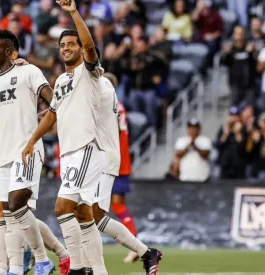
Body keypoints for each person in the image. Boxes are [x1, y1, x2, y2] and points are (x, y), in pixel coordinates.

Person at [22, 0, 108, 274]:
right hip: (69, 152)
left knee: (62, 208)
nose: (66, 48)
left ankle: (78, 268)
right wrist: (32, 140)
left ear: (80, 49)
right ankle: (98, 270)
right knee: (83, 214)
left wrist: (72, 13)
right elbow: (51, 114)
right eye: (62, 46)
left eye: (72, 44)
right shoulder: (60, 81)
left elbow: (91, 47)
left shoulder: (90, 72)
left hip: (86, 148)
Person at [0, 30, 56, 275]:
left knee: (16, 204)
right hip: (0, 157)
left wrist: (40, 125)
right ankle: (13, 269)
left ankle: (42, 259)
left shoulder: (28, 71)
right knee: (1, 213)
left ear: (9, 51)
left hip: (26, 151)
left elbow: (53, 100)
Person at [76, 69, 162, 275]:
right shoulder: (118, 106)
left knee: (97, 210)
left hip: (108, 160)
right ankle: (138, 251)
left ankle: (135, 249)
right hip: (109, 159)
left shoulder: (107, 104)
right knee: (88, 211)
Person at [104, 73, 161, 267]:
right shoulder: (119, 106)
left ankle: (135, 245)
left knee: (113, 205)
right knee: (113, 206)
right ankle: (134, 245)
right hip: (119, 160)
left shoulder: (109, 106)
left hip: (112, 162)